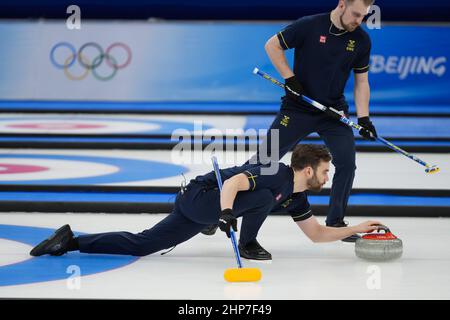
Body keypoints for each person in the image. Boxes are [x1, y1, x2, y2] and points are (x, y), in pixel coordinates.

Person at [30, 144, 382, 261]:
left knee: (144, 244)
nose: (327, 177)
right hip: (204, 198)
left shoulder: (296, 195)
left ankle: (70, 240)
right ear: (307, 168)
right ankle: (243, 240)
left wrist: (357, 228)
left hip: (198, 210)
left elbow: (317, 235)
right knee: (260, 197)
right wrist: (227, 213)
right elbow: (233, 182)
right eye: (325, 171)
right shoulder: (276, 173)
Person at [246, 0, 378, 242]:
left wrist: (365, 118)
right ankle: (222, 207)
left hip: (333, 113)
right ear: (341, 5)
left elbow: (362, 82)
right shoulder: (309, 25)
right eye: (356, 14)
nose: (359, 21)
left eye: (364, 16)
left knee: (347, 164)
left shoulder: (361, 40)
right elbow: (272, 45)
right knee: (264, 160)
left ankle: (336, 221)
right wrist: (290, 78)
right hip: (297, 109)